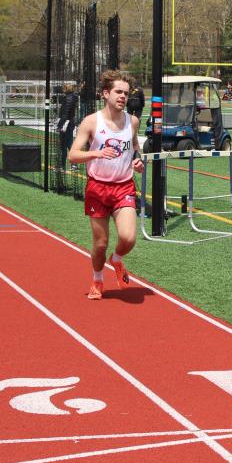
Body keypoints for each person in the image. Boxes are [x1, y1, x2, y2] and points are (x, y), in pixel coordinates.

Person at [68, 71, 145, 300]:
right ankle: (98, 279)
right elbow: (72, 155)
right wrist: (97, 153)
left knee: (128, 238)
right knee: (100, 244)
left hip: (123, 187)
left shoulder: (132, 122)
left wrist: (138, 161)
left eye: (126, 93)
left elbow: (135, 147)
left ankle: (117, 259)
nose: (123, 97)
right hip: (97, 188)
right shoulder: (91, 122)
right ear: (105, 94)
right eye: (118, 92)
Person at [56, 83, 80, 164]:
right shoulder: (70, 98)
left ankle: (73, 164)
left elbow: (65, 114)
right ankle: (63, 163)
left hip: (67, 123)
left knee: (68, 144)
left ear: (67, 89)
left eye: (64, 88)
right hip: (69, 122)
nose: (63, 90)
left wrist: (60, 125)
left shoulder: (68, 99)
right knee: (65, 144)